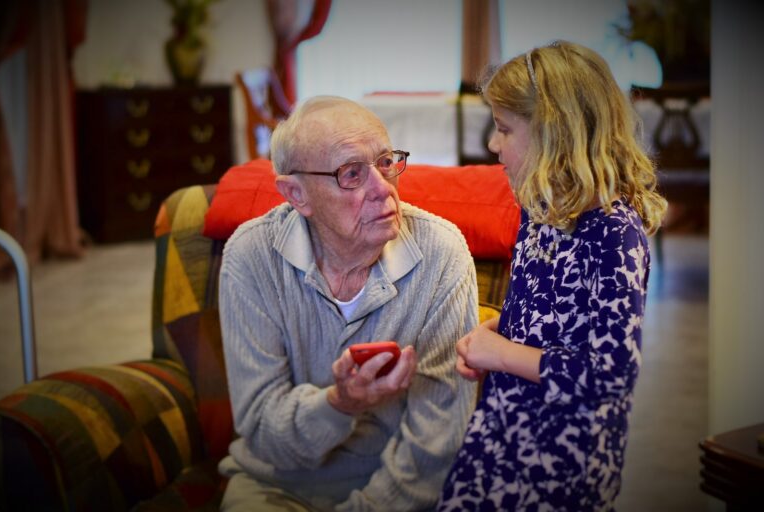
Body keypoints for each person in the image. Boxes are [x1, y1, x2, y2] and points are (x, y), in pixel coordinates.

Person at [218, 95, 479, 511]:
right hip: (275, 487)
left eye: (386, 162)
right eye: (352, 173)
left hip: (395, 493)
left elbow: (437, 441)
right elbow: (263, 430)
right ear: (297, 195)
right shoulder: (251, 255)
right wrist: (339, 405)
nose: (383, 188)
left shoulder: (441, 253)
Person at [437, 40, 667, 511]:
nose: (491, 144)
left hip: (562, 459)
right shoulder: (538, 210)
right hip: (500, 430)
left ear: (553, 134)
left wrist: (501, 355)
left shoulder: (613, 235)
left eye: (503, 129)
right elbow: (541, 319)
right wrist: (493, 331)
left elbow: (608, 377)